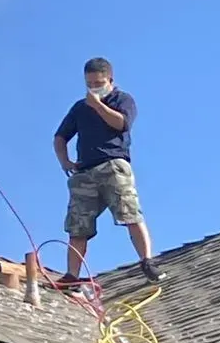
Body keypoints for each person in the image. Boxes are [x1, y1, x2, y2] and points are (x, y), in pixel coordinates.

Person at [53, 57, 164, 287]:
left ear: (110, 79)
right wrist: (65, 161)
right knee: (77, 225)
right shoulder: (80, 107)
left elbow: (121, 124)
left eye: (98, 82)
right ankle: (71, 276)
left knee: (129, 212)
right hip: (84, 172)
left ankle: (147, 261)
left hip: (113, 165)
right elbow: (60, 136)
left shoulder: (123, 99)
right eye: (90, 83)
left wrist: (98, 106)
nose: (94, 87)